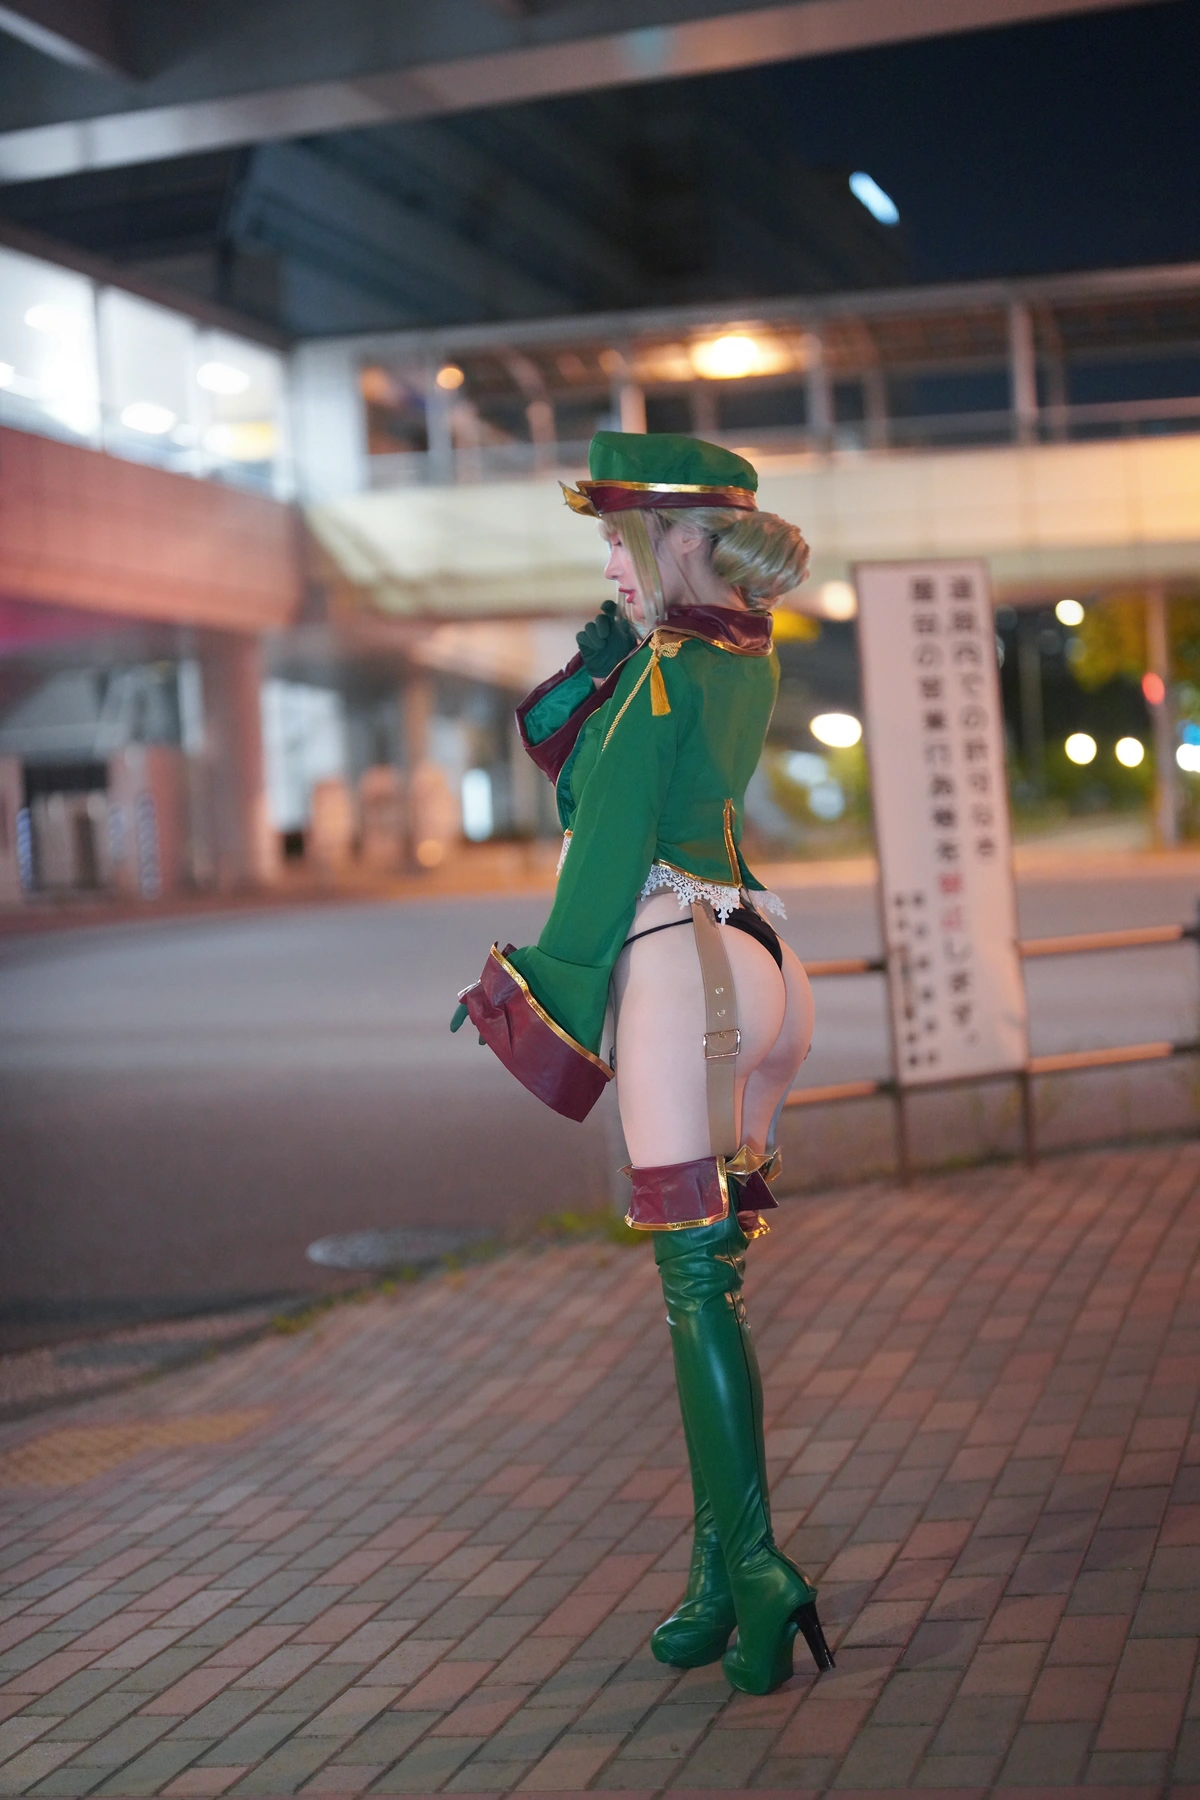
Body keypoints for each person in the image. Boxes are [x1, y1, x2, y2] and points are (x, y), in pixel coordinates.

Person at [453, 431, 834, 1695]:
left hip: (680, 967)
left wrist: (534, 993)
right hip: (760, 956)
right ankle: (720, 1575)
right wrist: (613, 659)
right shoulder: (738, 648)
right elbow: (582, 747)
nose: (610, 569)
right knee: (710, 1285)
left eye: (622, 544)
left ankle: (761, 1571)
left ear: (676, 541)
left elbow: (607, 844)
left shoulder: (667, 669)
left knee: (693, 1289)